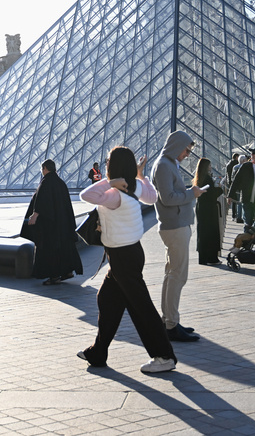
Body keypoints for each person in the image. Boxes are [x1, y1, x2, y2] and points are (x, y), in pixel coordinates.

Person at [77, 146, 177, 374]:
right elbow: (152, 198)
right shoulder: (136, 187)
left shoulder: (113, 195)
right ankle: (98, 352)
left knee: (141, 307)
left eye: (107, 162)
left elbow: (86, 195)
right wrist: (139, 175)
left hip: (122, 256)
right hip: (131, 252)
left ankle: (164, 356)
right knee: (107, 300)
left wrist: (110, 183)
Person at [151, 131, 204, 343]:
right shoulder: (164, 165)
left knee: (171, 274)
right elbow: (168, 198)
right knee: (178, 276)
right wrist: (193, 193)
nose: (187, 154)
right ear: (177, 145)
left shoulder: (168, 163)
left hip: (175, 225)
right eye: (186, 150)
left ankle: (169, 320)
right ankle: (171, 325)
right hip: (175, 227)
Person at [23, 159, 83, 285]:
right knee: (64, 248)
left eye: (42, 169)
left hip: (50, 225)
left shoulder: (45, 182)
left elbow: (41, 202)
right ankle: (67, 272)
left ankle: (54, 276)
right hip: (63, 224)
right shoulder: (61, 183)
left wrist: (34, 215)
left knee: (50, 249)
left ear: (45, 168)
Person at [193, 158, 224, 265]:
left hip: (201, 208)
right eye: (209, 165)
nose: (211, 167)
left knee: (203, 232)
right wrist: (220, 189)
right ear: (206, 167)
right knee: (212, 232)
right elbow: (212, 195)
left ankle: (203, 258)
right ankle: (212, 258)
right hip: (209, 209)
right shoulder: (207, 178)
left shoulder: (199, 178)